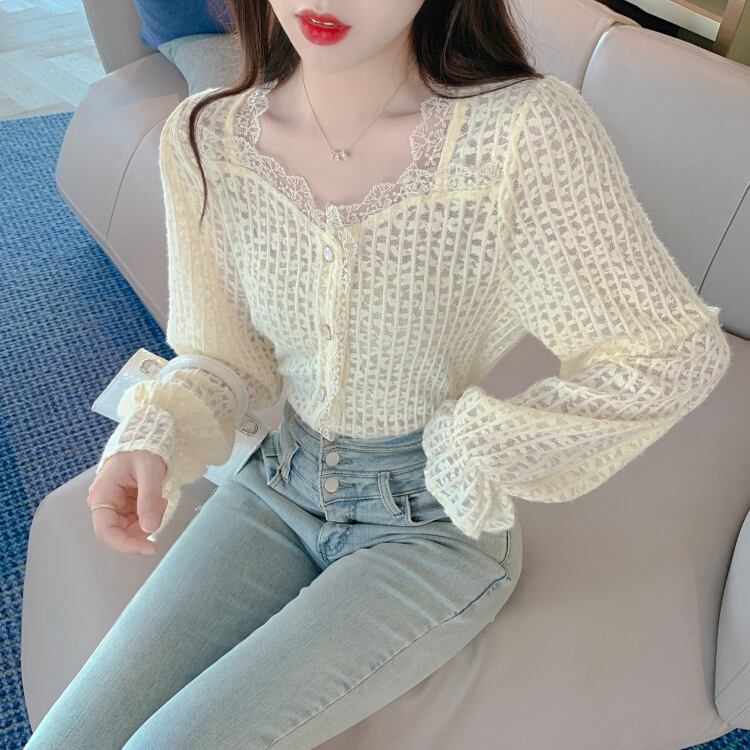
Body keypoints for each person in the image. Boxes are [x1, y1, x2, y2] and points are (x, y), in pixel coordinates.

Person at [25, 0, 731, 747]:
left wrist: (483, 445)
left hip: (429, 535)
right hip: (277, 487)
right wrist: (155, 433)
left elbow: (668, 353)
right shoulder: (209, 138)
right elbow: (225, 357)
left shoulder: (519, 136)